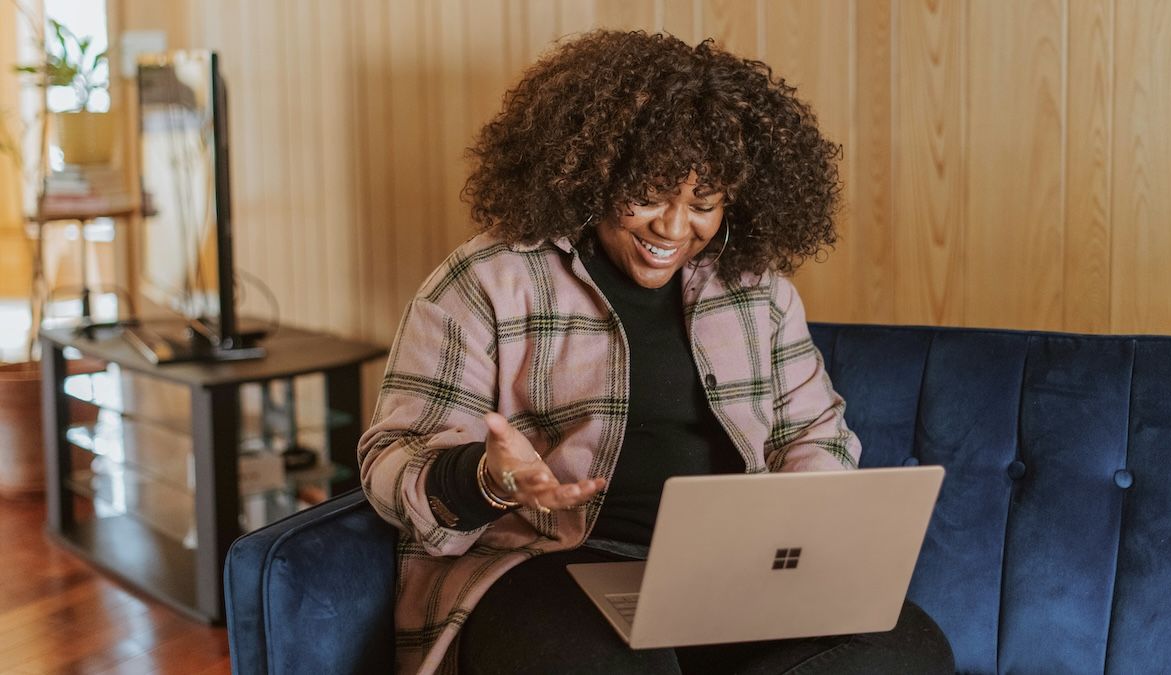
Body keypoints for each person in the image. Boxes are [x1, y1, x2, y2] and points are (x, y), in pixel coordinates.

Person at [359, 30, 954, 675]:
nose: (673, 229)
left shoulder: (760, 292)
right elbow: (391, 461)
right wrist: (486, 476)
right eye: (647, 195)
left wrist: (798, 538)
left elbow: (814, 434)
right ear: (594, 173)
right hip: (548, 566)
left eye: (702, 204)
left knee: (906, 651)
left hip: (729, 574)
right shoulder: (489, 280)